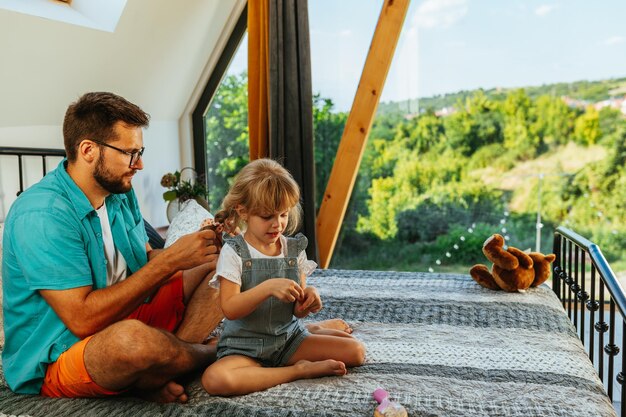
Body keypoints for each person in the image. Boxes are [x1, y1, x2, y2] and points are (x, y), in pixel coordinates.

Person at [1, 92, 223, 403]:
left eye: (140, 151)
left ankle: (160, 369)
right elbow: (83, 319)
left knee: (223, 264)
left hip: (127, 313)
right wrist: (171, 261)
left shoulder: (119, 190)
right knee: (131, 342)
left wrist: (193, 251)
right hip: (63, 350)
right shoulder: (42, 214)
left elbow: (145, 258)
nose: (140, 164)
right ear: (88, 150)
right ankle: (206, 353)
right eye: (130, 153)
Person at [201, 159, 365, 396]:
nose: (277, 224)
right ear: (242, 210)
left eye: (283, 215)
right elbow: (230, 309)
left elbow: (296, 310)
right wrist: (267, 287)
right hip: (244, 348)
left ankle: (312, 330)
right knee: (215, 380)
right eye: (267, 216)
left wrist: (310, 299)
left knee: (356, 352)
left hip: (289, 340)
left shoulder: (293, 249)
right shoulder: (234, 252)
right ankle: (298, 371)